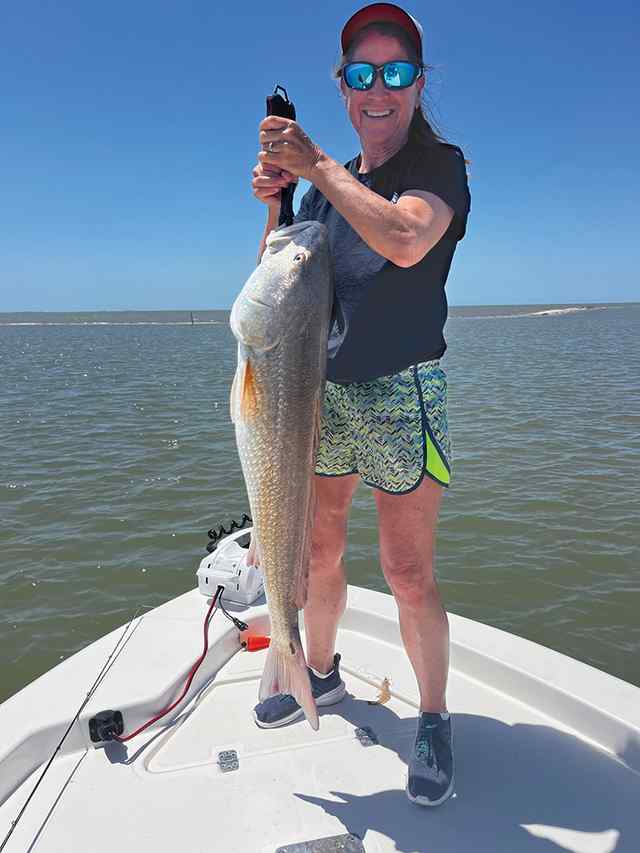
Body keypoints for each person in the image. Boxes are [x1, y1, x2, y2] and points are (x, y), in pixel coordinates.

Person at [250, 2, 470, 807]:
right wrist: (279, 204)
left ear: (417, 84)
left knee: (408, 571)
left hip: (404, 389)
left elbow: (407, 239)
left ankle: (436, 718)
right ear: (343, 87)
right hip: (320, 392)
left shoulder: (438, 166)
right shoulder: (321, 188)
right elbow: (278, 288)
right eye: (363, 73)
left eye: (398, 72)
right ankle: (320, 671)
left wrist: (317, 169)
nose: (380, 88)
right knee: (316, 552)